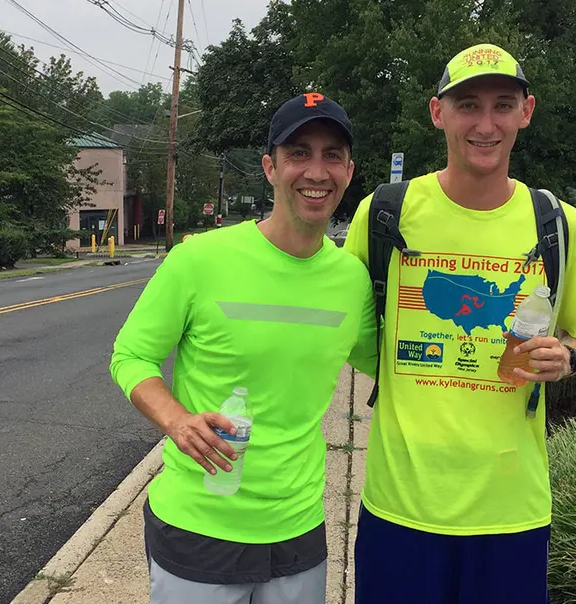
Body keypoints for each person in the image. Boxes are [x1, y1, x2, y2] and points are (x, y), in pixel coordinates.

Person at [343, 43, 576, 603]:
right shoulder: (384, 213)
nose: (486, 124)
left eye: (502, 105)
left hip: (511, 512)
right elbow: (342, 325)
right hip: (400, 509)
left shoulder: (560, 226)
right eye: (468, 106)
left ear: (526, 111)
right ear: (438, 113)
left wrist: (571, 357)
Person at [109, 92, 377, 604]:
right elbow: (131, 356)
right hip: (199, 524)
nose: (316, 171)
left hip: (298, 526)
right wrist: (176, 420)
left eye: (332, 155)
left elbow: (387, 362)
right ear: (270, 167)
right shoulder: (200, 259)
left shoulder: (352, 279)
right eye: (298, 153)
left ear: (348, 170)